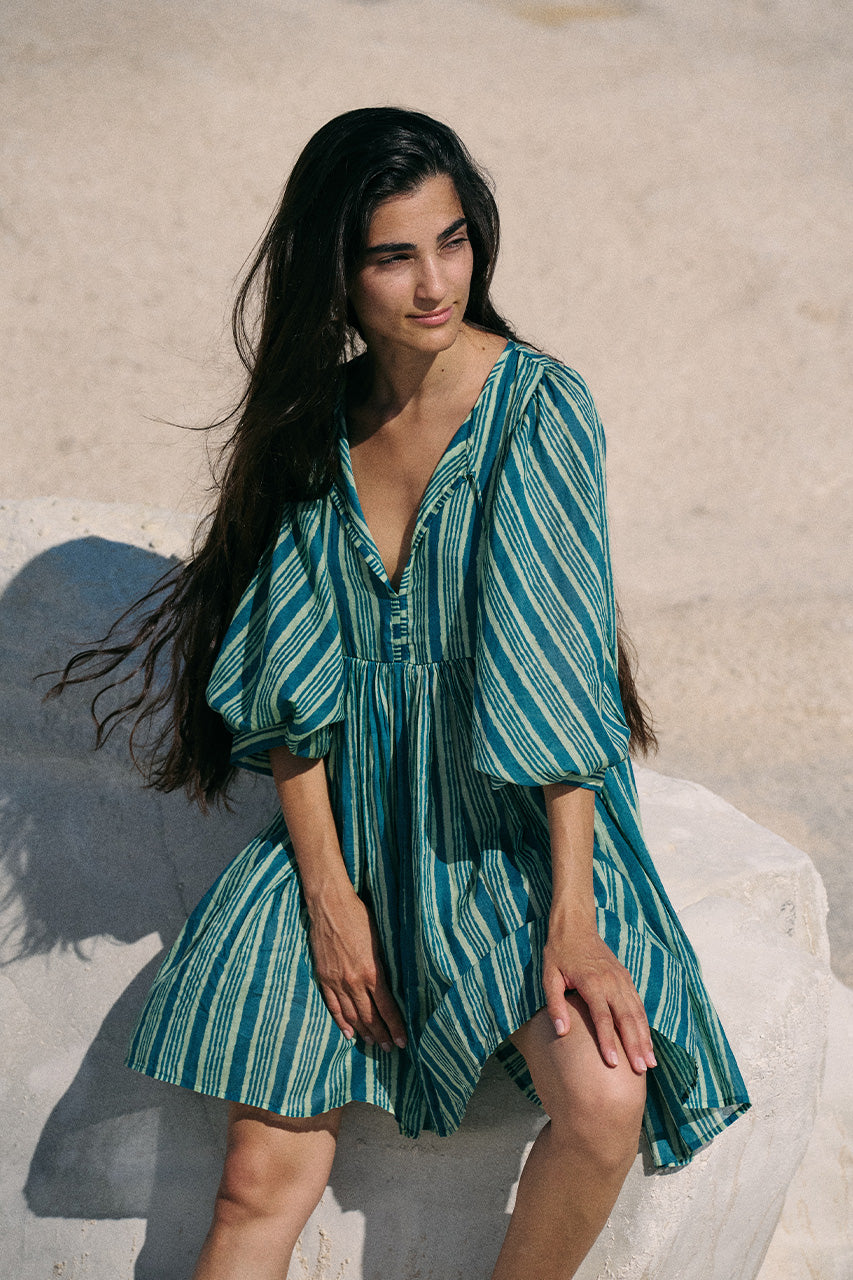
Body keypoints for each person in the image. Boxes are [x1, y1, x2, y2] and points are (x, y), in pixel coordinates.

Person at [49, 107, 750, 1279]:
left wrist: (572, 915)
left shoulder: (537, 409)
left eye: (454, 240)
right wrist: (329, 895)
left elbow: (561, 669)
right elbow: (288, 692)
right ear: (337, 266)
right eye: (392, 254)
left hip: (509, 833)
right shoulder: (309, 428)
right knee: (257, 1177)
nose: (434, 283)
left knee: (605, 1096)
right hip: (345, 833)